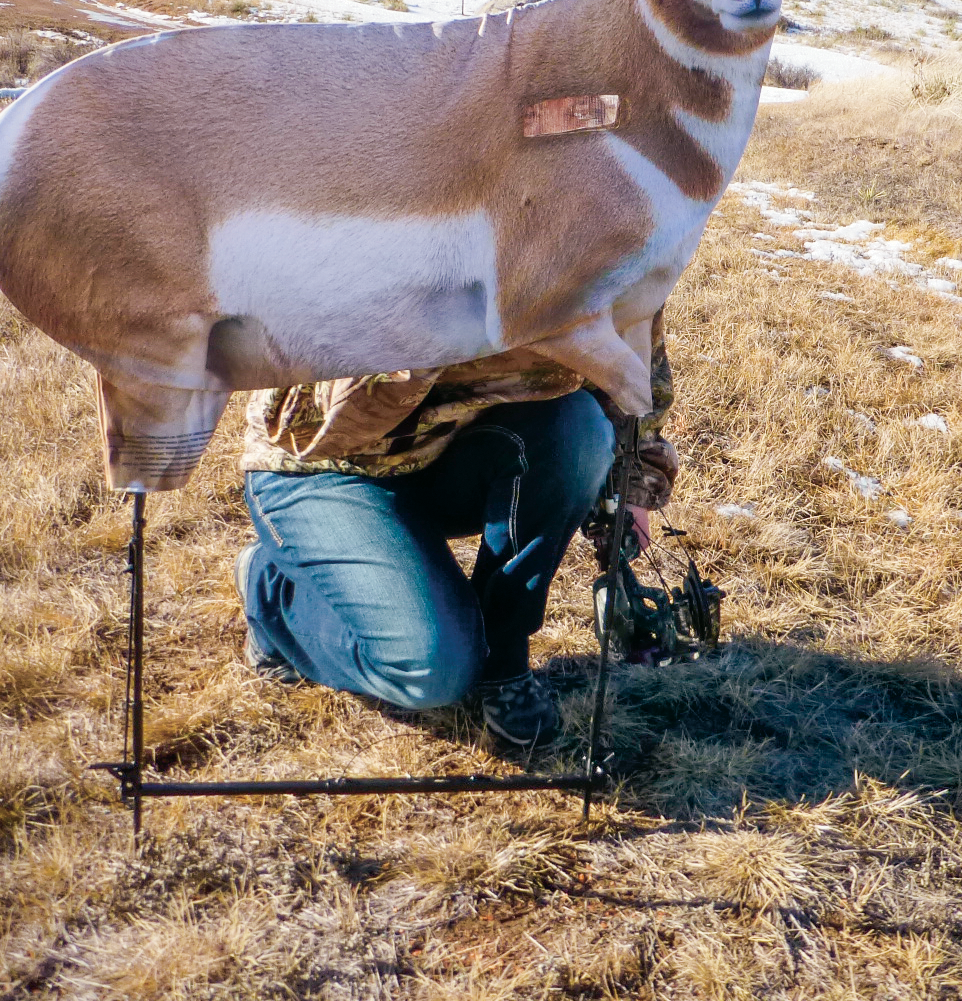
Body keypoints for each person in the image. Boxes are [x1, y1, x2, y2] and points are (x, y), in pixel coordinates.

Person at [235, 312, 678, 752]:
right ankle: (270, 593)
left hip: (450, 455)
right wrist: (443, 321)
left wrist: (631, 485)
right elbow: (334, 414)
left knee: (576, 427)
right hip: (321, 465)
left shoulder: (574, 243)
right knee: (433, 670)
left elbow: (632, 346)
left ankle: (503, 663)